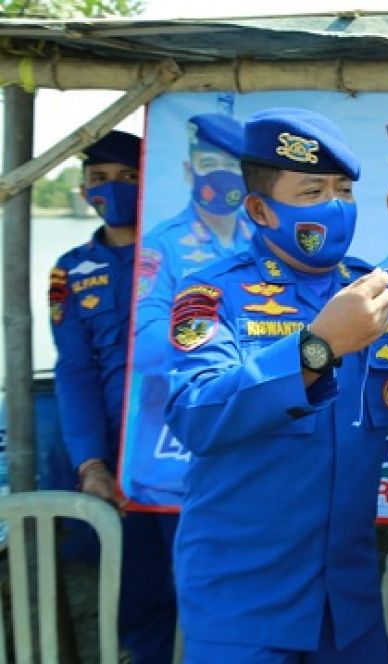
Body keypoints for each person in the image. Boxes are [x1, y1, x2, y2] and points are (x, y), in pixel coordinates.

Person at [164, 108, 388, 661]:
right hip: (243, 603)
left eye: (343, 190)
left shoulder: (383, 294)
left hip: (349, 604)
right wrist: (317, 349)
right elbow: (196, 414)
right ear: (261, 209)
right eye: (312, 191)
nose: (334, 206)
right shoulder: (212, 297)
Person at [48, 130, 177, 664]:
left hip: (180, 439)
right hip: (117, 454)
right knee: (136, 584)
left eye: (129, 178)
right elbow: (73, 370)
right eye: (100, 179)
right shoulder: (70, 271)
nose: (114, 189)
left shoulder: (177, 252)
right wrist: (91, 463)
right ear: (84, 191)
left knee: (202, 575)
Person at [127, 113, 251, 504]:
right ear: (187, 171)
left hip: (248, 464)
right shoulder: (162, 247)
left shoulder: (266, 242)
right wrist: (234, 343)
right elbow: (144, 346)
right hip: (174, 464)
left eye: (233, 167)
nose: (222, 176)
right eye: (209, 165)